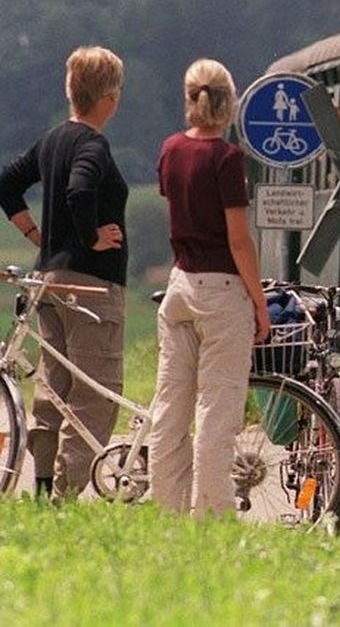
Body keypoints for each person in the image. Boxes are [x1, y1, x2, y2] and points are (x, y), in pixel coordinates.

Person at [0, 46, 127, 501]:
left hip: (50, 283)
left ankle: (43, 482)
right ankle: (67, 497)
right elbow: (80, 189)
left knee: (54, 388)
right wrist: (91, 236)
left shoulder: (52, 140)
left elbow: (6, 183)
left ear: (71, 91)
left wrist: (35, 233)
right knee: (96, 392)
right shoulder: (93, 145)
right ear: (110, 97)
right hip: (91, 286)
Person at [151, 59, 269, 516]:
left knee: (170, 409)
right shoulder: (227, 159)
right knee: (216, 412)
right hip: (220, 294)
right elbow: (238, 241)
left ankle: (167, 512)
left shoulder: (170, 150)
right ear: (229, 103)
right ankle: (214, 515)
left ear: (189, 99)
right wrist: (260, 304)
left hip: (180, 287)